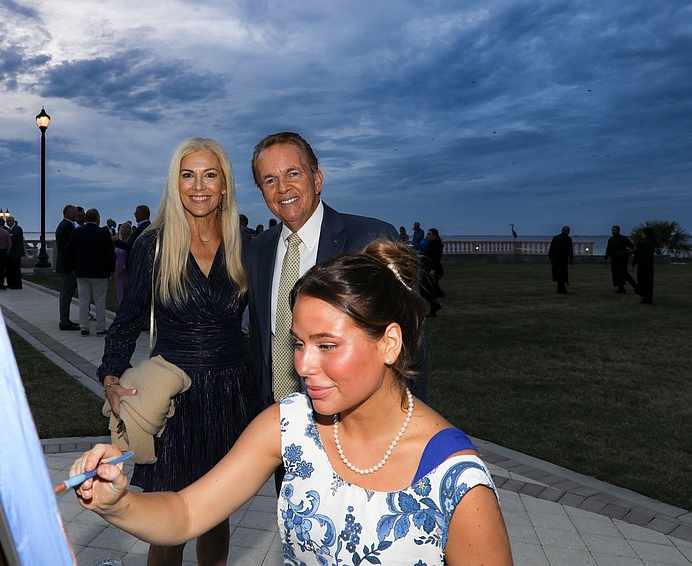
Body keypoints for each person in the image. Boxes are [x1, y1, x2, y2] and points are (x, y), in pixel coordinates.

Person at [71, 239, 513, 566]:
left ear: (389, 343)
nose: (302, 365)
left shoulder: (456, 481)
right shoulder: (288, 425)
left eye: (326, 345)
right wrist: (117, 502)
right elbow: (187, 512)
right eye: (299, 343)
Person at [97, 138, 260, 566]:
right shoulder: (154, 244)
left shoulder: (244, 243)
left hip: (232, 393)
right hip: (174, 399)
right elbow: (128, 320)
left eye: (210, 175)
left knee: (215, 514)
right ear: (176, 183)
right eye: (188, 175)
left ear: (224, 185)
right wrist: (112, 377)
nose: (198, 186)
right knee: (167, 524)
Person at [243, 131, 402, 413]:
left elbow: (407, 346)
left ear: (317, 180)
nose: (282, 188)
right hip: (274, 423)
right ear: (262, 191)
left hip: (351, 422)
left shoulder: (369, 239)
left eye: (293, 173)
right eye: (270, 180)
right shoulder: (256, 251)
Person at [65, 208, 115, 336]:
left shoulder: (77, 232)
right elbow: (110, 253)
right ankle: (100, 327)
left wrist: (73, 267)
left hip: (82, 271)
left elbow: (70, 251)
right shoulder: (103, 233)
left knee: (83, 300)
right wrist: (111, 269)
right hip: (100, 272)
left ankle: (84, 327)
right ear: (97, 218)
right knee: (100, 300)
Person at [56, 204, 80, 330]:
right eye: (75, 212)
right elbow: (68, 249)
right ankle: (64, 321)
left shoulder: (63, 225)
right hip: (68, 266)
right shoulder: (67, 227)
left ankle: (65, 319)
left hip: (64, 265)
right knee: (66, 294)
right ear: (68, 213)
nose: (77, 214)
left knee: (66, 293)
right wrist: (72, 267)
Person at [604, 225, 637, 294]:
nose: (613, 231)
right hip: (614, 260)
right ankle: (621, 288)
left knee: (624, 274)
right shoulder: (610, 240)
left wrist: (626, 253)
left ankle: (636, 288)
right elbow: (608, 249)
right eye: (612, 230)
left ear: (618, 230)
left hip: (622, 260)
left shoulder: (623, 238)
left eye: (615, 230)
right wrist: (606, 257)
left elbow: (631, 247)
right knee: (616, 274)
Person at [419, 227, 444, 316]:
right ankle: (434, 306)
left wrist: (433, 270)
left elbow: (436, 259)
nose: (427, 236)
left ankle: (434, 306)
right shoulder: (431, 243)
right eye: (427, 234)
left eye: (429, 234)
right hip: (427, 268)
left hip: (433, 269)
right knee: (426, 289)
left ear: (435, 235)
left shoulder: (437, 245)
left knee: (425, 289)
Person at [632, 227, 656, 304]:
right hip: (649, 264)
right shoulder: (652, 242)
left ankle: (645, 296)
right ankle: (649, 297)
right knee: (649, 281)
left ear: (644, 233)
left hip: (642, 264)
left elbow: (637, 255)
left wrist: (633, 264)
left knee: (642, 280)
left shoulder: (641, 242)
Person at [548, 225, 574, 294]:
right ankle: (561, 289)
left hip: (555, 258)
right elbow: (570, 249)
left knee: (558, 273)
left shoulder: (555, 238)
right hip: (562, 258)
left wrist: (550, 257)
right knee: (562, 273)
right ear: (567, 231)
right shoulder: (568, 239)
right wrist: (571, 258)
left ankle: (561, 288)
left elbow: (551, 248)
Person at [113, 223, 132, 305]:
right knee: (119, 290)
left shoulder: (130, 242)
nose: (124, 228)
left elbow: (132, 255)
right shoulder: (118, 242)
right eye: (123, 227)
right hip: (117, 268)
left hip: (127, 269)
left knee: (127, 290)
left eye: (127, 227)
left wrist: (125, 267)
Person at [5, 215, 24, 289]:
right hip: (10, 253)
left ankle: (17, 284)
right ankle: (10, 283)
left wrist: (9, 239)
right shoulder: (8, 230)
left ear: (12, 221)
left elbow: (18, 239)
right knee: (9, 269)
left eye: (8, 221)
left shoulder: (18, 229)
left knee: (16, 269)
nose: (7, 223)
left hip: (16, 253)